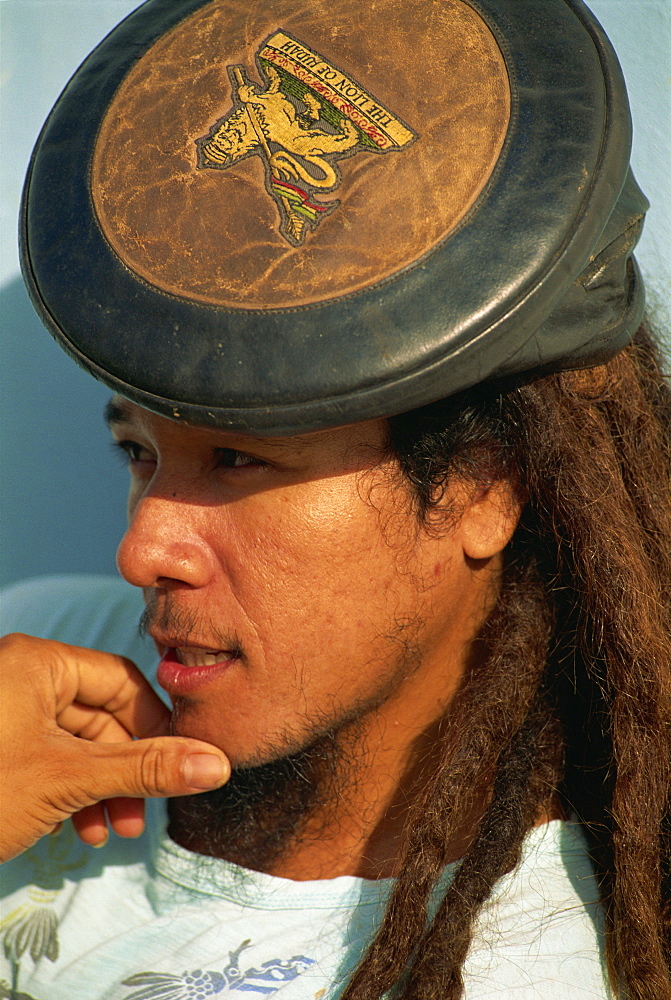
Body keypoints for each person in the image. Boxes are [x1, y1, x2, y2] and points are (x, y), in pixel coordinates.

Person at [1, 0, 670, 998]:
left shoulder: (567, 962)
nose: (142, 550)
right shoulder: (42, 659)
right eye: (139, 452)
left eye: (237, 461)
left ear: (484, 493)